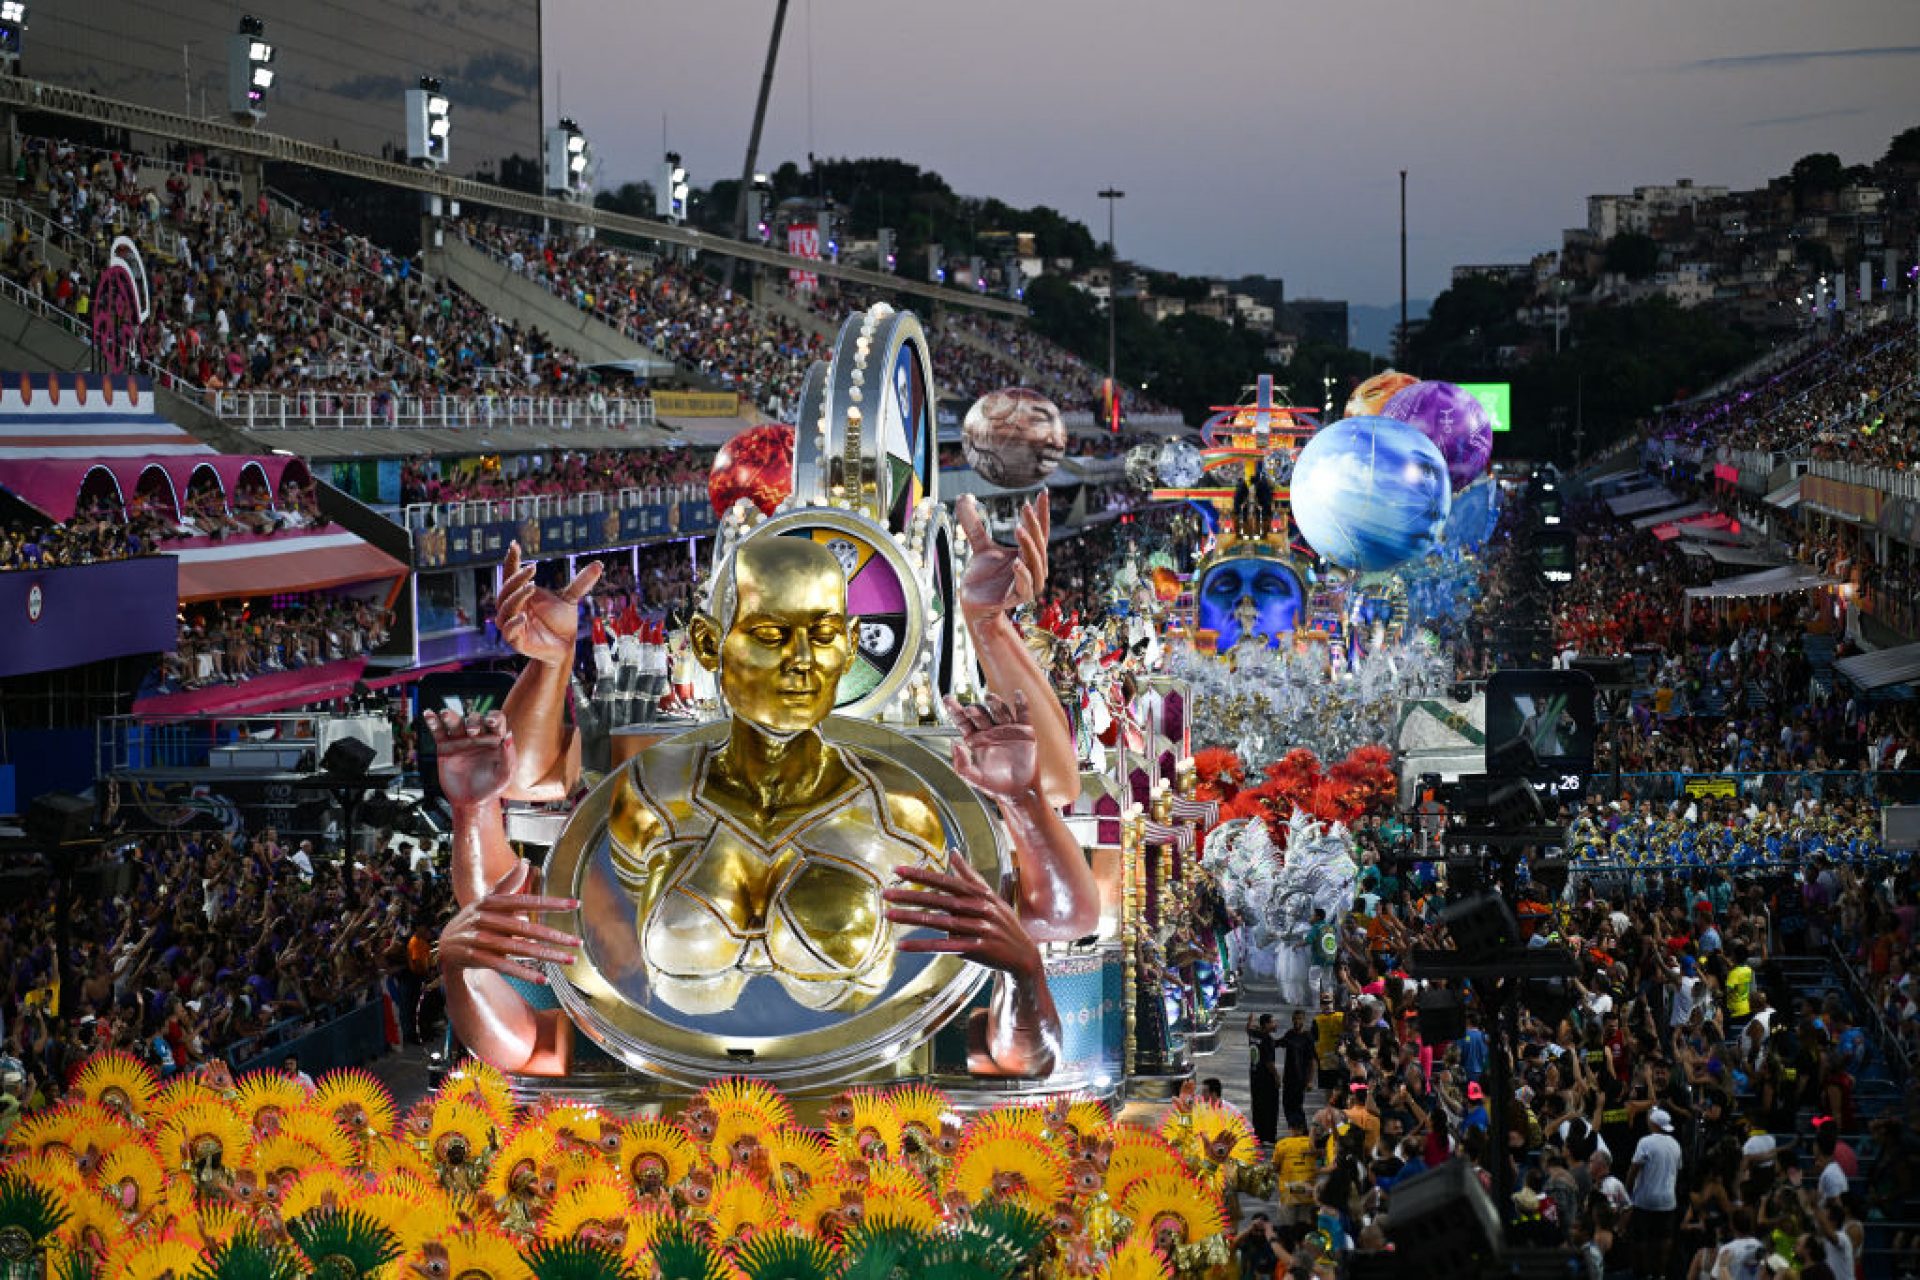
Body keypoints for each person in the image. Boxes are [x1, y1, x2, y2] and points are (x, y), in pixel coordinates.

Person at [435, 531, 1090, 1078]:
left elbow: (1060, 931)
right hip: (673, 1148)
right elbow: (514, 923)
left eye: (824, 633)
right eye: (773, 633)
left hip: (873, 1144)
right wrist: (476, 812)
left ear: (852, 643)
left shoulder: (902, 810)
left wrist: (1025, 811)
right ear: (712, 645)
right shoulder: (651, 795)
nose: (802, 661)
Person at [1630, 1107, 1684, 1279]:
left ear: (1653, 1123)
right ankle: (1661, 1274)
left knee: (1643, 1239)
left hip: (1645, 1199)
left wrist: (1628, 1188)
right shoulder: (1675, 1144)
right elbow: (1679, 1170)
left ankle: (1645, 1274)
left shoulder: (1646, 1142)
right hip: (1668, 1200)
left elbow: (1634, 1168)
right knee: (1664, 1238)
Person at [1279, 1007, 1317, 1135]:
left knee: (1296, 1105)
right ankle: (1294, 1129)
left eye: (1299, 1019)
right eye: (1294, 1019)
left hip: (1300, 1077)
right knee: (1286, 1104)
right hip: (1288, 1077)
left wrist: (1310, 1080)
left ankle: (1302, 1131)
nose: (1296, 1022)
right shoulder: (1290, 1034)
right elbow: (1278, 1043)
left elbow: (1312, 1060)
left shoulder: (1307, 1037)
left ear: (1303, 1020)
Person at [1247, 1012, 1282, 1144]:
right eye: (1273, 1022)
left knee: (1257, 1107)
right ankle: (1269, 1137)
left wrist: (1250, 1021)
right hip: (1266, 1079)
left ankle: (1258, 1136)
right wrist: (1277, 1077)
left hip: (1255, 1077)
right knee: (1270, 1108)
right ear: (1266, 1024)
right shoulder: (1267, 1039)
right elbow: (1269, 1063)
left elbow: (1248, 1029)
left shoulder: (1254, 1035)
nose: (1275, 1024)